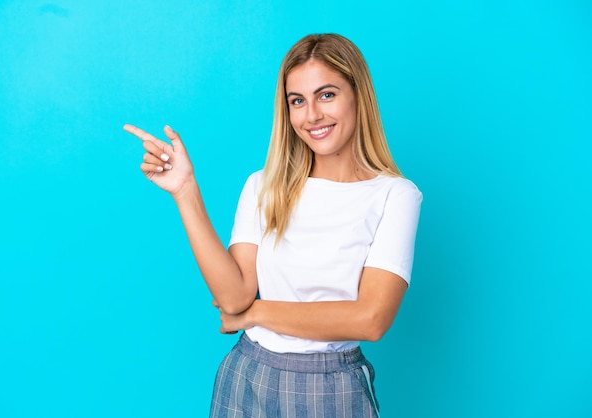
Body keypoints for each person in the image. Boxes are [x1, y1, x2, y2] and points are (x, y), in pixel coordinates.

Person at [124, 33, 422, 418]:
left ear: (358, 96)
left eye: (326, 94)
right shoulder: (262, 186)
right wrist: (185, 191)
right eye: (297, 101)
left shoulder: (395, 195)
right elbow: (234, 297)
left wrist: (255, 314)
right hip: (248, 375)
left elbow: (371, 319)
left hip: (330, 388)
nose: (311, 115)